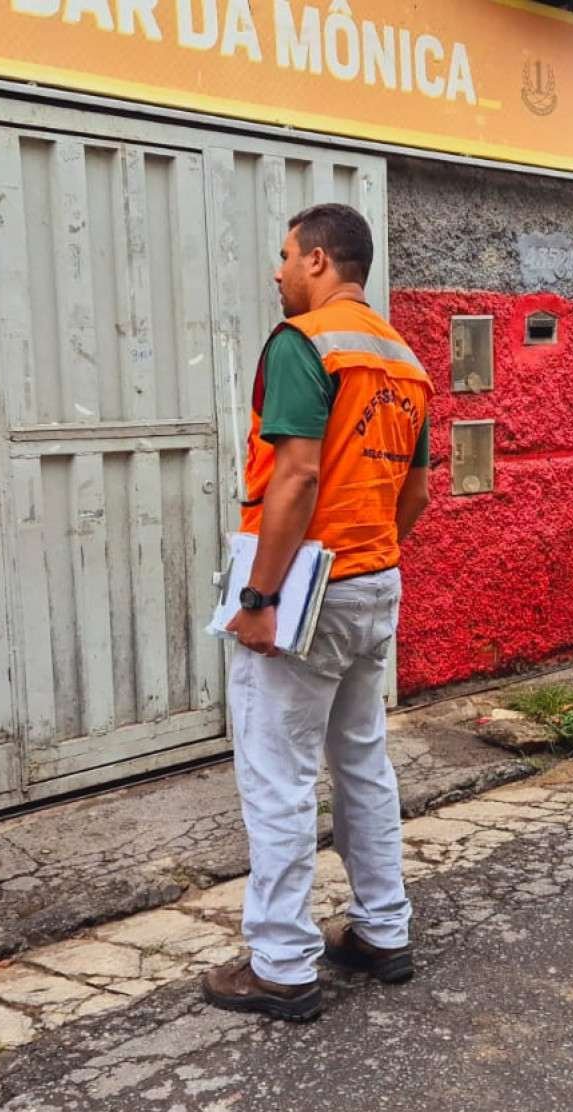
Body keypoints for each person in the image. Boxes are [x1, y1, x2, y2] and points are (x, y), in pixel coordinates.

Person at [204, 203, 433, 1022]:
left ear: (320, 261)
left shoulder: (304, 345)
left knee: (279, 773)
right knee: (363, 759)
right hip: (374, 580)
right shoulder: (406, 360)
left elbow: (296, 475)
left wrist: (261, 598)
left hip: (306, 590)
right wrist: (369, 551)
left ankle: (283, 963)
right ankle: (381, 929)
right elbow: (417, 491)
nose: (276, 270)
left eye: (285, 255)